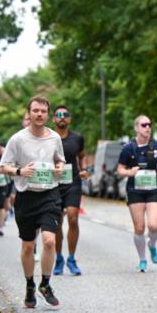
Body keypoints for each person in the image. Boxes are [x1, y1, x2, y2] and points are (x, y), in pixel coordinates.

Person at [0, 96, 66, 309]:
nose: (39, 114)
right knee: (28, 246)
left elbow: (60, 159)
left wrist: (60, 168)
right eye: (35, 111)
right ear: (29, 114)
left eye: (43, 111)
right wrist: (20, 171)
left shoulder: (54, 138)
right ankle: (29, 285)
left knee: (48, 241)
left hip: (49, 195)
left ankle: (45, 284)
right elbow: (3, 167)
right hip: (26, 196)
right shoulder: (18, 139)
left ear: (48, 114)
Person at [117, 115, 157, 272]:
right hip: (135, 191)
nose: (147, 128)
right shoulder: (128, 148)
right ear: (136, 128)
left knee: (153, 225)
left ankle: (151, 245)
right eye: (144, 125)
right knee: (139, 227)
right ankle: (142, 259)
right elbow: (119, 170)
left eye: (149, 125)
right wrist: (129, 172)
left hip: (153, 189)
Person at [52, 105, 88, 276]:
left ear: (70, 118)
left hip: (73, 182)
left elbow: (82, 156)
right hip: (54, 184)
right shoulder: (48, 138)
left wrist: (84, 169)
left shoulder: (77, 138)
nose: (62, 117)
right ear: (53, 118)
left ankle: (71, 259)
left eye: (65, 114)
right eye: (58, 115)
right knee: (57, 222)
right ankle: (58, 259)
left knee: (73, 218)